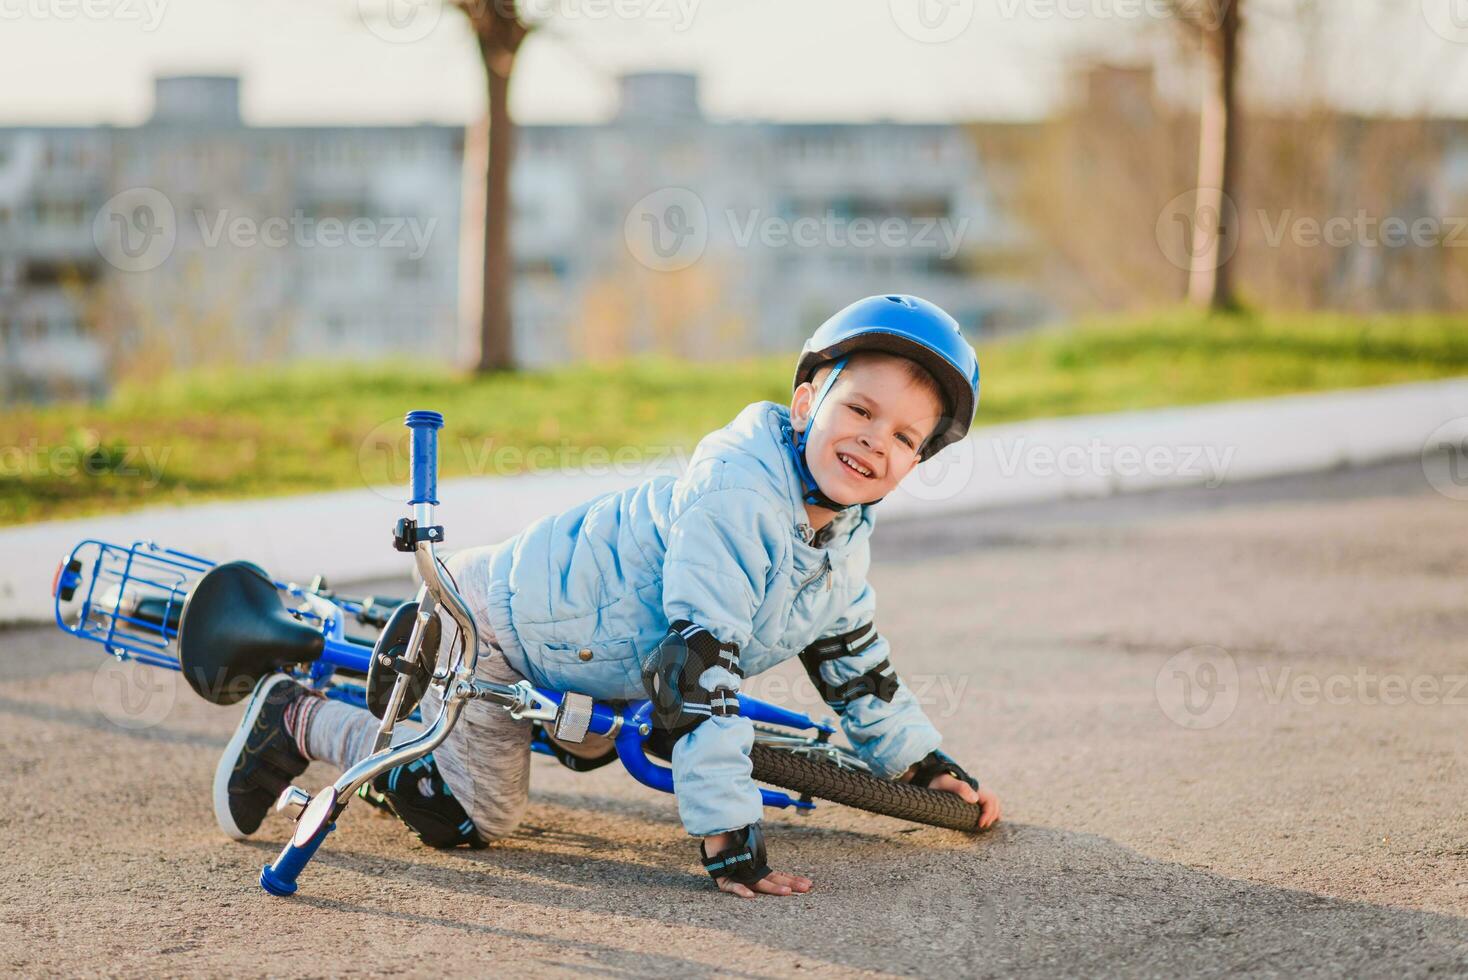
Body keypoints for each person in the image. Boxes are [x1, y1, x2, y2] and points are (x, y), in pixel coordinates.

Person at [215, 293, 1002, 899]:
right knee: (471, 818)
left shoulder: (842, 539)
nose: (874, 439)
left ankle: (420, 701)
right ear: (806, 405)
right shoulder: (739, 495)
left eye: (903, 436)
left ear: (917, 460)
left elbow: (858, 667)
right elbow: (698, 671)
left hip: (583, 656)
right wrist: (729, 837)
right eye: (859, 409)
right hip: (497, 626)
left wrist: (922, 766)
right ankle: (300, 714)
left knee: (592, 740)